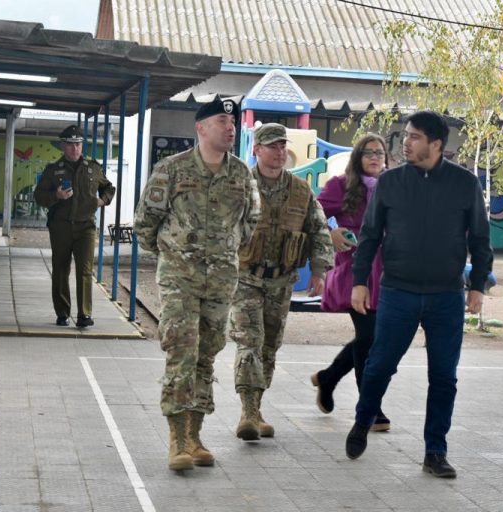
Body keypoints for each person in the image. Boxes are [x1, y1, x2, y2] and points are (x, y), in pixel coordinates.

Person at [344, 111, 493, 478]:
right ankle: (363, 420)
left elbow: (479, 238)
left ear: (436, 144)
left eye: (413, 137)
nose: (405, 143)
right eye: (405, 136)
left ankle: (435, 452)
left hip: (446, 296)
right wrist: (360, 281)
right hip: (399, 292)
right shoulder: (390, 184)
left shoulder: (464, 184)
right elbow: (369, 236)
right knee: (380, 365)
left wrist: (477, 286)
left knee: (444, 377)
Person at [133, 97, 260, 471]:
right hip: (180, 282)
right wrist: (175, 258)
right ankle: (176, 441)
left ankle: (195, 436)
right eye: (222, 120)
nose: (230, 126)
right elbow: (145, 224)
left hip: (221, 284)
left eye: (233, 120)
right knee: (181, 354)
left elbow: (250, 222)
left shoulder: (240, 174)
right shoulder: (170, 170)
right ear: (201, 128)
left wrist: (226, 251)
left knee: (206, 357)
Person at [231, 123, 334, 441]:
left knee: (270, 346)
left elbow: (318, 230)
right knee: (249, 342)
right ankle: (247, 412)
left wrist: (319, 269)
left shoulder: (301, 191)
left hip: (281, 281)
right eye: (271, 146)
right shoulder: (238, 187)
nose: (278, 152)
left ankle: (257, 407)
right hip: (245, 279)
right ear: (256, 150)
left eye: (281, 146)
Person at [309, 134, 390, 431]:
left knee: (374, 337)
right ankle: (370, 407)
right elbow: (313, 214)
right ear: (357, 157)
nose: (374, 157)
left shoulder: (393, 187)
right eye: (368, 152)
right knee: (368, 337)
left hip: (388, 274)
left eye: (380, 153)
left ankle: (328, 378)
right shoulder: (340, 185)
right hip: (355, 271)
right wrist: (330, 233)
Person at [33, 125, 116, 328]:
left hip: (86, 227)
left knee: (85, 270)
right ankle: (62, 313)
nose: (75, 149)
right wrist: (56, 196)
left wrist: (103, 200)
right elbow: (39, 196)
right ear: (63, 146)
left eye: (78, 144)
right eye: (70, 145)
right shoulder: (53, 170)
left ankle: (84, 314)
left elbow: (109, 187)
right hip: (60, 227)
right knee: (61, 270)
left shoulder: (93, 168)